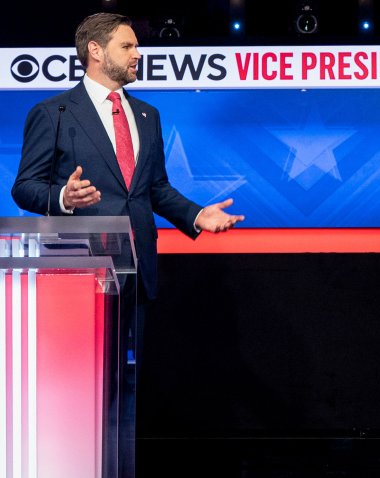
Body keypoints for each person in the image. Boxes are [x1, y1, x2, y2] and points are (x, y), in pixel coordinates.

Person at [11, 12, 245, 475]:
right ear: (95, 51)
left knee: (125, 380)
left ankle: (120, 465)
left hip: (137, 266)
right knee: (81, 384)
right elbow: (25, 187)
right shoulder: (53, 113)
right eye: (128, 46)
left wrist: (197, 215)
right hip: (79, 273)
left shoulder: (146, 115)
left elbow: (154, 189)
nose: (138, 54)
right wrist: (62, 196)